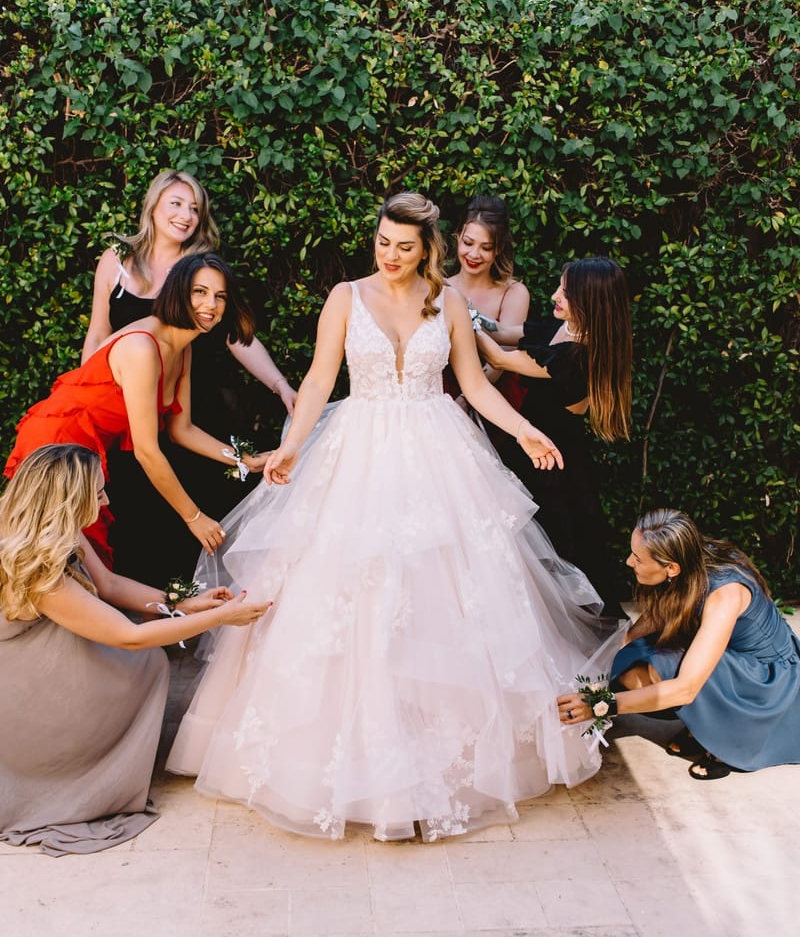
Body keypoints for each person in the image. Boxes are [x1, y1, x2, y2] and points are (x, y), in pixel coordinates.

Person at [167, 192, 623, 842]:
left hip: (440, 454)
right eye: (383, 243)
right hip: (358, 451)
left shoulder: (450, 303)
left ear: (427, 249)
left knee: (441, 596)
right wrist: (293, 445)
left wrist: (524, 432)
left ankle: (437, 756)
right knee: (351, 593)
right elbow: (322, 381)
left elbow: (474, 384)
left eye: (403, 247)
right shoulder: (345, 299)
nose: (390, 255)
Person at [0, 444, 269, 856]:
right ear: (70, 498)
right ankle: (74, 766)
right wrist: (222, 617)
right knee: (140, 656)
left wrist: (183, 602)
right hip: (23, 693)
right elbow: (129, 635)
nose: (106, 499)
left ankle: (106, 749)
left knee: (143, 661)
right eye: (99, 491)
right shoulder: (39, 569)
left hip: (32, 662)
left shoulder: (53, 527)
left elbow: (109, 585)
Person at [82, 170, 297, 581]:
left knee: (192, 497)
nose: (185, 215)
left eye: (194, 208)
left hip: (182, 400)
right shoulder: (115, 260)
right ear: (153, 206)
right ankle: (142, 615)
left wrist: (279, 384)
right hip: (125, 404)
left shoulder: (200, 268)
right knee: (130, 506)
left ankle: (188, 611)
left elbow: (236, 336)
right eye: (176, 204)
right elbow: (98, 334)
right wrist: (88, 405)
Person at [5, 254, 268, 568]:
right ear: (177, 291)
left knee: (83, 565)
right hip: (59, 447)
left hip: (90, 453)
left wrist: (243, 460)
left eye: (220, 296)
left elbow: (180, 430)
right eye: (199, 292)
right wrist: (193, 517)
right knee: (55, 557)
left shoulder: (183, 347)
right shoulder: (143, 348)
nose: (210, 304)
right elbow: (147, 451)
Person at [557, 508, 800, 780]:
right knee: (629, 661)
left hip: (766, 681)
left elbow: (684, 689)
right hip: (733, 661)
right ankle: (704, 724)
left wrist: (599, 705)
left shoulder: (725, 595)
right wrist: (610, 651)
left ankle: (725, 734)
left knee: (664, 667)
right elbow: (663, 610)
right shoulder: (687, 555)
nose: (628, 562)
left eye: (637, 558)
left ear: (671, 567)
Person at [477, 255, 632, 615]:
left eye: (565, 291)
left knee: (557, 542)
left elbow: (500, 358)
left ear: (589, 300)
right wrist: (477, 318)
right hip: (531, 445)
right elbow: (503, 333)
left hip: (552, 459)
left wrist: (460, 319)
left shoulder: (577, 356)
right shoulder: (563, 329)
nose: (554, 296)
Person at [445, 194, 530, 450]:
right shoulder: (439, 287)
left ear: (499, 248)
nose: (474, 254)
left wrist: (464, 401)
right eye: (468, 242)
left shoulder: (512, 292)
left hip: (495, 398)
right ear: (457, 237)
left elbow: (502, 359)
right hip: (442, 393)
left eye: (486, 247)